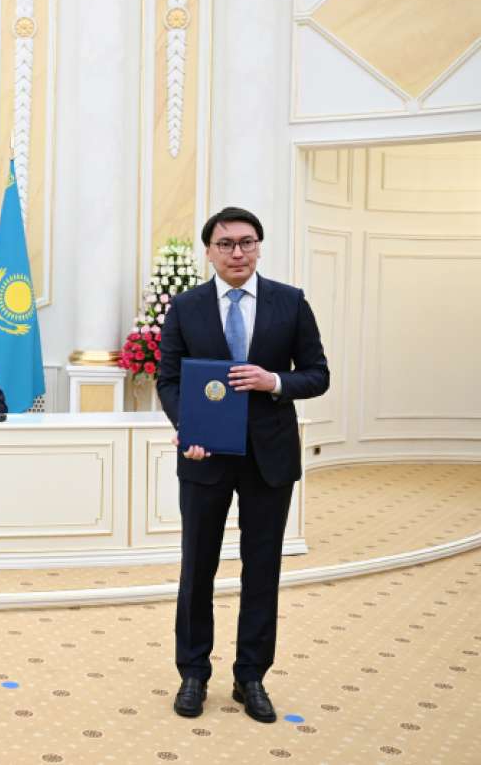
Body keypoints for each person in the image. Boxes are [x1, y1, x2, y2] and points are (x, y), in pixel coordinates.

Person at [156, 207, 329, 724]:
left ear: (258, 247)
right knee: (197, 568)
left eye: (247, 242)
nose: (238, 253)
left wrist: (273, 381)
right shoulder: (185, 306)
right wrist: (188, 427)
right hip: (205, 457)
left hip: (269, 459)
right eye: (226, 244)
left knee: (262, 570)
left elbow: (317, 374)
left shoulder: (290, 302)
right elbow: (168, 379)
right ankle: (193, 673)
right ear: (209, 251)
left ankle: (251, 677)